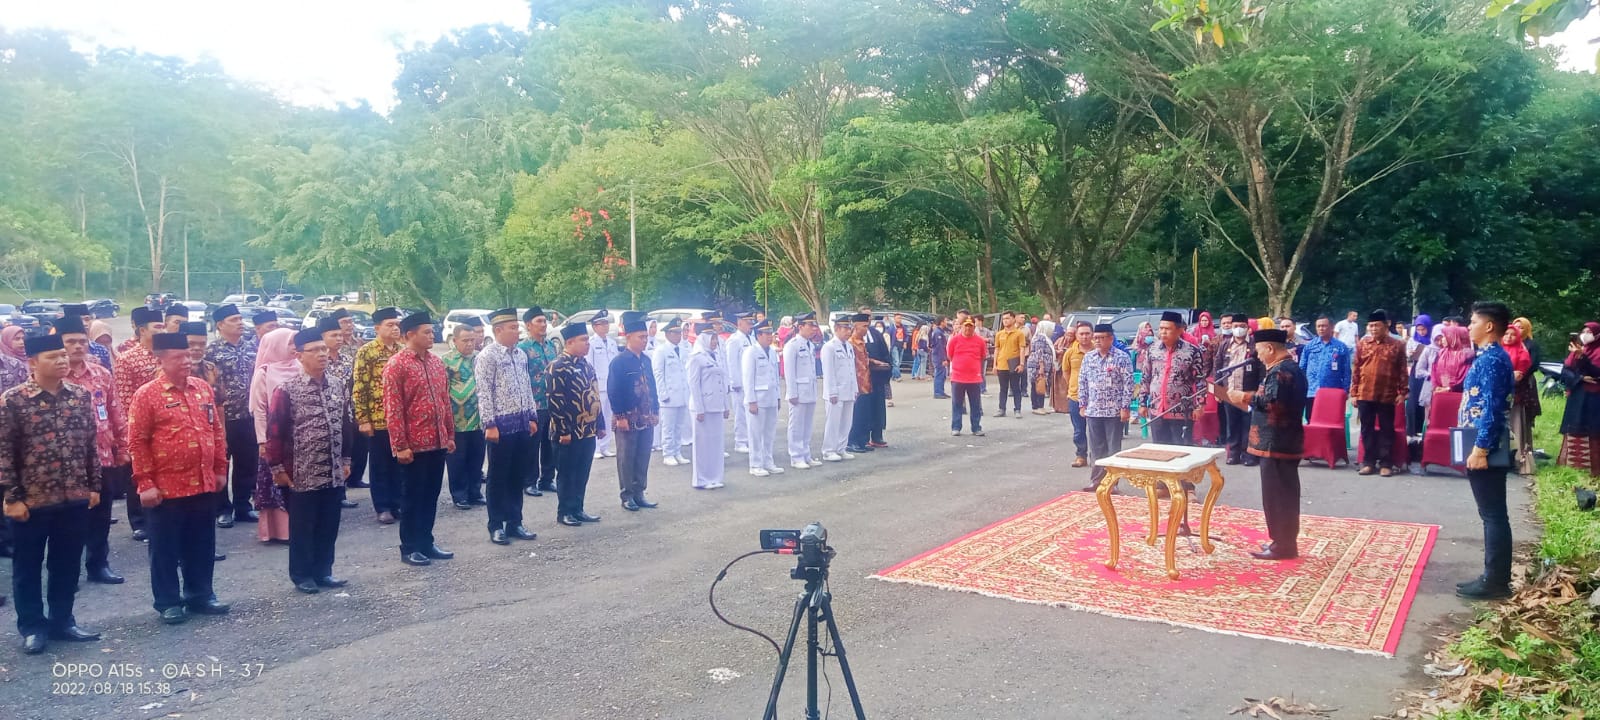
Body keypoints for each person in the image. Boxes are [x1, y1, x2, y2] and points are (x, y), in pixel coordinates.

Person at [3, 334, 103, 653]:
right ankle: (33, 626)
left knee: (67, 562)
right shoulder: (13, 400)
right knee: (28, 565)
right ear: (33, 362)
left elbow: (90, 445)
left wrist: (93, 486)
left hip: (73, 495)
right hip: (31, 499)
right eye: (53, 356)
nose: (62, 360)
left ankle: (63, 620)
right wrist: (11, 497)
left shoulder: (79, 395)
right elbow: (4, 453)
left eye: (63, 355)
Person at [129, 332, 231, 625]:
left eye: (188, 355)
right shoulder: (147, 394)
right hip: (166, 487)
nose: (187, 361)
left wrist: (220, 467)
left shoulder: (201, 388)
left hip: (203, 481)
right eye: (178, 357)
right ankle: (168, 601)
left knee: (201, 542)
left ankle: (201, 594)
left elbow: (215, 431)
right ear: (160, 359)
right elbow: (137, 441)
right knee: (165, 547)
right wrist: (144, 483)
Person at [265, 328, 353, 594]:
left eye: (323, 349)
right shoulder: (287, 389)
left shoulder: (337, 384)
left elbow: (347, 423)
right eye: (314, 350)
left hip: (334, 469)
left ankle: (323, 571)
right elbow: (275, 432)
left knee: (329, 523)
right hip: (302, 471)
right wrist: (277, 468)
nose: (322, 354)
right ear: (299, 355)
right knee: (303, 525)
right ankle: (302, 574)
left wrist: (347, 458)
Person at [1211, 328, 1306, 560]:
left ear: (1271, 348)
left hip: (1276, 443)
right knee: (1283, 493)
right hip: (1283, 441)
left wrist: (1240, 396)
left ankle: (1283, 544)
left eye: (1260, 350)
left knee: (1277, 495)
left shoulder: (1281, 371)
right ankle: (1283, 540)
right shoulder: (1287, 368)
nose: (1258, 355)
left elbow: (1270, 402)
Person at [383, 311, 456, 566]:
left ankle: (427, 541)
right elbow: (393, 408)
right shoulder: (397, 365)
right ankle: (410, 547)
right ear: (409, 335)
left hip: (437, 441)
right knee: (412, 497)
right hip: (413, 445)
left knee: (431, 495)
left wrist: (449, 433)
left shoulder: (436, 362)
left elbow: (445, 401)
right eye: (426, 332)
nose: (431, 335)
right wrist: (400, 445)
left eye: (431, 331)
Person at [60, 316, 128, 586]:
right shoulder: (54, 377)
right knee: (71, 519)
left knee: (101, 515)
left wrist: (123, 446)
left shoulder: (101, 373)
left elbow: (116, 412)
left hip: (102, 457)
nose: (78, 346)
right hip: (67, 463)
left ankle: (98, 564)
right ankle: (68, 570)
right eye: (70, 342)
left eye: (81, 341)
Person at [1456, 302, 1517, 600]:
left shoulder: (1493, 359)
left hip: (1487, 445)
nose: (1469, 327)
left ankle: (1495, 580)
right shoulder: (1487, 356)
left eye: (1473, 321)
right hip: (1480, 440)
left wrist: (1481, 448)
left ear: (1489, 326)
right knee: (1490, 513)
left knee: (1493, 514)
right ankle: (1493, 576)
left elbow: (1492, 406)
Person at [475, 309, 540, 544]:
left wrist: (532, 416)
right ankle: (496, 525)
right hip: (501, 427)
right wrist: (489, 424)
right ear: (498, 330)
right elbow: (483, 392)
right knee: (497, 477)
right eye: (512, 327)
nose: (517, 331)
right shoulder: (487, 356)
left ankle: (515, 522)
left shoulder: (521, 355)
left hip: (522, 423)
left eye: (517, 327)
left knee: (517, 475)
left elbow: (527, 386)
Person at [203, 304, 259, 530]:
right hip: (224, 417)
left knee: (248, 462)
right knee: (222, 463)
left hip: (249, 414)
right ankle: (222, 509)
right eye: (234, 319)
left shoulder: (252, 346)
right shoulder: (212, 351)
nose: (240, 322)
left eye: (240, 318)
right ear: (220, 325)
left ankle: (243, 505)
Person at [113, 306, 166, 541]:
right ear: (142, 330)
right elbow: (124, 399)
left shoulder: (166, 354)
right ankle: (138, 522)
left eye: (163, 326)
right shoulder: (127, 359)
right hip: (140, 426)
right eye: (157, 327)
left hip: (167, 426)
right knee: (139, 473)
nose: (162, 330)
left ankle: (160, 516)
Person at [546, 322, 605, 526]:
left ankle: (578, 509)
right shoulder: (557, 366)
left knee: (582, 472)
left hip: (587, 431)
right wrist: (564, 430)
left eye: (588, 340)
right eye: (584, 340)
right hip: (568, 432)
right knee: (567, 473)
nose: (588, 344)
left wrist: (600, 423)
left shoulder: (586, 365)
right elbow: (555, 400)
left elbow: (595, 395)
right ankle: (565, 512)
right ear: (570, 342)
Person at [353, 307, 403, 524]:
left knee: (401, 462)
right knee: (381, 464)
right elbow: (359, 386)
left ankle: (398, 503)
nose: (395, 328)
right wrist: (363, 419)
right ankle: (383, 506)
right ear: (377, 328)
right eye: (389, 325)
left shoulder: (402, 350)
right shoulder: (367, 351)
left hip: (401, 420)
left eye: (396, 324)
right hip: (378, 417)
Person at [246, 329, 296, 545]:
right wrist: (262, 441)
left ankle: (297, 527)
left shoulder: (300, 366)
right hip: (273, 437)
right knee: (274, 483)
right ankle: (277, 531)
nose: (295, 348)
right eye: (291, 343)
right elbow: (259, 409)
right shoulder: (264, 373)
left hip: (297, 437)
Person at [608, 312, 661, 511]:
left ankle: (639, 492)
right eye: (641, 337)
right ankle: (627, 495)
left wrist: (655, 410)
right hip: (628, 419)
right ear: (628, 337)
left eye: (646, 337)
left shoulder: (645, 360)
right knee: (626, 457)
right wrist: (620, 416)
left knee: (643, 455)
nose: (645, 340)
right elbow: (614, 391)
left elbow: (652, 387)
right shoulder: (620, 362)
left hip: (646, 417)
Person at [1350, 309, 1409, 476]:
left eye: (1377, 325)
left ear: (1386, 325)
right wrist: (1353, 393)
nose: (1373, 329)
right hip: (1364, 393)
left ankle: (1386, 463)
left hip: (1387, 394)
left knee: (1386, 429)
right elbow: (1356, 369)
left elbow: (1403, 370)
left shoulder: (1397, 345)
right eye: (1370, 326)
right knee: (1366, 429)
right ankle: (1368, 462)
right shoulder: (1363, 344)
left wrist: (1402, 392)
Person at [1077, 324, 1134, 490]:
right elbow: (1082, 382)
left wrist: (1125, 407)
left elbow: (1128, 384)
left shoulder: (1121, 357)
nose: (1098, 341)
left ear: (1110, 338)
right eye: (1096, 338)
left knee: (1113, 448)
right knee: (1096, 448)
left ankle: (1112, 483)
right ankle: (1096, 481)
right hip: (1094, 409)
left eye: (1102, 338)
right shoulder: (1089, 357)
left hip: (1114, 411)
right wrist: (1083, 403)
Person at [1139, 311, 1206, 445]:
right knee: (1160, 452)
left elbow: (1200, 379)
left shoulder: (1192, 351)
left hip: (1182, 411)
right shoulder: (1152, 350)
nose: (1163, 332)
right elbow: (1146, 377)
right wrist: (1142, 403)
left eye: (1168, 329)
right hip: (1156, 409)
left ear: (1179, 330)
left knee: (1181, 452)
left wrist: (1200, 405)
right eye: (1161, 328)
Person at [316, 316, 360, 510]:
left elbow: (353, 387)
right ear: (322, 337)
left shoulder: (347, 359)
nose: (339, 339)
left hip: (345, 414)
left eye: (340, 335)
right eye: (334, 335)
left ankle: (340, 493)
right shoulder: (317, 360)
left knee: (343, 453)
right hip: (323, 417)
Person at [518, 307, 562, 496]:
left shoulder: (551, 346)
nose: (543, 325)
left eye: (544, 321)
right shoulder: (523, 349)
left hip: (551, 402)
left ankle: (547, 478)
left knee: (550, 442)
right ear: (528, 326)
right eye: (539, 321)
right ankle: (529, 481)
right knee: (531, 445)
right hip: (533, 404)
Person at [442, 326, 486, 510]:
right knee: (457, 460)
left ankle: (475, 492)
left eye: (472, 340)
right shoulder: (446, 361)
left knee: (477, 457)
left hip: (478, 419)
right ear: (455, 340)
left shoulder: (480, 358)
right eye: (465, 340)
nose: (469, 344)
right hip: (457, 420)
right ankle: (459, 494)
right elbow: (442, 391)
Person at [687, 319, 730, 489]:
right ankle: (702, 479)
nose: (715, 342)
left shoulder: (717, 356)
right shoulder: (696, 357)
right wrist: (699, 408)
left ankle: (715, 476)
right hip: (703, 405)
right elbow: (694, 384)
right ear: (704, 339)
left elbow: (723, 381)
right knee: (703, 445)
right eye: (712, 339)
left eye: (715, 339)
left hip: (717, 404)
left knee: (716, 443)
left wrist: (726, 406)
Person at [742, 320, 784, 477]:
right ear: (758, 335)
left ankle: (768, 461)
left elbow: (775, 376)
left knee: (769, 433)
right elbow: (748, 378)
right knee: (755, 433)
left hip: (771, 397)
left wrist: (778, 397)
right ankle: (756, 464)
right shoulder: (751, 352)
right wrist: (751, 400)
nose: (769, 337)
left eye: (770, 333)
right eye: (766, 334)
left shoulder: (772, 352)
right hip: (758, 399)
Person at [1214, 314, 1257, 466]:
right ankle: (1233, 453)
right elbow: (1217, 367)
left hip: (1248, 392)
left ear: (1248, 328)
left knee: (1248, 424)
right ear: (1231, 327)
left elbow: (1261, 368)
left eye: (1242, 326)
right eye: (1236, 326)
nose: (1239, 329)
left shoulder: (1254, 345)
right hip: (1229, 392)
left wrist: (1258, 390)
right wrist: (1217, 391)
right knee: (1231, 424)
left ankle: (1248, 454)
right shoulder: (1225, 344)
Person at [782, 313, 823, 469]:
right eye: (810, 325)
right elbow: (789, 372)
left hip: (809, 390)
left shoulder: (810, 345)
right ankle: (796, 456)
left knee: (807, 425)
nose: (813, 329)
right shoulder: (792, 345)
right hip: (798, 391)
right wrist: (791, 392)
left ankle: (806, 453)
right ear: (800, 327)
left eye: (814, 325)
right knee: (796, 425)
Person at [1559, 322, 1600, 477]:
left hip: (1594, 398)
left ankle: (1593, 469)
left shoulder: (1597, 351)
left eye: (1589, 331)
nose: (1585, 334)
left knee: (1592, 430)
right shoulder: (1578, 350)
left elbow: (1596, 372)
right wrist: (1581, 378)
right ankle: (1573, 465)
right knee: (1574, 426)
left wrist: (1582, 357)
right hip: (1577, 394)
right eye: (1584, 331)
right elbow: (1566, 371)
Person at [848, 311, 892, 451]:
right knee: (856, 415)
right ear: (855, 327)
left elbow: (865, 360)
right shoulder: (851, 343)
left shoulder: (862, 342)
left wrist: (878, 363)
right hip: (857, 384)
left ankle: (862, 441)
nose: (867, 329)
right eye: (864, 326)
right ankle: (852, 442)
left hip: (867, 383)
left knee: (864, 414)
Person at [652, 319, 692, 466]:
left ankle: (677, 452)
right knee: (668, 427)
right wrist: (662, 394)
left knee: (679, 426)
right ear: (668, 334)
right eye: (675, 333)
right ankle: (668, 453)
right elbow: (658, 374)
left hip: (682, 394)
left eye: (679, 333)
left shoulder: (683, 349)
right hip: (669, 395)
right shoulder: (661, 350)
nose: (678, 336)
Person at [1502, 321, 1539, 477]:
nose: (1509, 337)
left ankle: (1521, 461)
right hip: (1498, 395)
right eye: (1506, 334)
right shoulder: (1497, 350)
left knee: (1517, 427)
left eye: (1513, 334)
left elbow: (1520, 375)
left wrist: (1508, 377)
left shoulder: (1522, 353)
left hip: (1516, 394)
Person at [1299, 317, 1351, 422]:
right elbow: (1301, 368)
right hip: (1312, 391)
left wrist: (1345, 390)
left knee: (1330, 422)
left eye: (1324, 326)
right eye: (1318, 326)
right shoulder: (1310, 346)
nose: (1321, 329)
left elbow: (1346, 371)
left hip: (1332, 391)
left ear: (1331, 327)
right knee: (1311, 421)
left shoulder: (1341, 347)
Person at [820, 317, 858, 459]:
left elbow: (851, 369)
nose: (848, 331)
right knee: (833, 422)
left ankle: (841, 448)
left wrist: (855, 388)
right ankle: (829, 450)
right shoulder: (829, 347)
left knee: (846, 422)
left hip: (848, 389)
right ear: (836, 329)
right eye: (845, 328)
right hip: (836, 391)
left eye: (849, 328)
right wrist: (832, 392)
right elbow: (829, 372)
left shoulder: (848, 346)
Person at [587, 311, 619, 460]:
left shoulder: (612, 342)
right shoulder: (592, 344)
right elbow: (589, 366)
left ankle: (605, 446)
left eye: (607, 323)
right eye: (602, 323)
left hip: (611, 384)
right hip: (598, 385)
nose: (606, 326)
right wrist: (591, 387)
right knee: (597, 416)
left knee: (607, 415)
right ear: (595, 326)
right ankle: (596, 447)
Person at [948, 317, 987, 437]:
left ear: (974, 327)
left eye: (970, 326)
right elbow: (950, 355)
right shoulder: (954, 340)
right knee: (957, 404)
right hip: (958, 377)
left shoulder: (980, 341)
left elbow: (982, 356)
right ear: (961, 326)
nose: (968, 328)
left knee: (975, 404)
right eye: (966, 325)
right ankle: (956, 427)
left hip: (974, 378)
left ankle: (976, 427)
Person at [1059, 322, 1092, 464]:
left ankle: (1098, 457)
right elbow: (1066, 371)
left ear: (1092, 335)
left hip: (1096, 398)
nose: (1084, 337)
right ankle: (1081, 456)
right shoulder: (1070, 352)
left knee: (1096, 431)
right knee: (1079, 430)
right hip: (1075, 397)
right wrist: (1073, 387)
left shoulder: (1097, 351)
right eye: (1081, 334)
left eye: (1087, 334)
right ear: (1076, 336)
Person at [723, 312, 755, 454]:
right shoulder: (734, 340)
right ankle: (740, 441)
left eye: (751, 322)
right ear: (740, 323)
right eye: (748, 322)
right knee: (740, 413)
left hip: (751, 382)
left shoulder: (752, 338)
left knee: (750, 412)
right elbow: (731, 362)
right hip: (740, 383)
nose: (750, 325)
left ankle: (749, 438)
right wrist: (734, 382)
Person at [992, 312, 1028, 417]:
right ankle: (1001, 409)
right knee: (1003, 388)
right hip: (1002, 365)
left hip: (1014, 365)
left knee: (1016, 387)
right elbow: (996, 349)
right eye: (1004, 319)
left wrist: (1021, 364)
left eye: (1007, 318)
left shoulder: (1019, 333)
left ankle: (1017, 409)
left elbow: (1022, 349)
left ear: (1013, 319)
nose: (1005, 321)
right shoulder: (999, 334)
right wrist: (995, 365)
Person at [1405, 315, 1435, 434]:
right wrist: (1410, 353)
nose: (1421, 332)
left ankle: (1424, 427)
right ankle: (1412, 429)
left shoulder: (1434, 339)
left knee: (1426, 399)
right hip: (1416, 371)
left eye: (1424, 329)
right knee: (1413, 399)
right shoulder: (1413, 339)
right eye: (1419, 330)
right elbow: (1408, 353)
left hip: (1430, 371)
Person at [62, 304, 112, 370]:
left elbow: (108, 376)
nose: (84, 323)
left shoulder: (101, 350)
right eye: (79, 320)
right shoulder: (58, 350)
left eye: (87, 319)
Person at [1026, 319, 1058, 415]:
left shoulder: (1044, 337)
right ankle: (1036, 406)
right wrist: (1041, 366)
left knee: (1040, 385)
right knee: (1038, 385)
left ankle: (1041, 406)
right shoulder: (1040, 337)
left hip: (1043, 365)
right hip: (1038, 366)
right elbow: (1039, 353)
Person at [929, 316, 951, 399]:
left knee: (943, 375)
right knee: (939, 374)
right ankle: (938, 392)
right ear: (941, 322)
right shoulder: (938, 332)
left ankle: (941, 391)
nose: (946, 322)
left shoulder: (940, 332)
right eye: (945, 321)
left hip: (939, 355)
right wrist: (943, 359)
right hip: (938, 356)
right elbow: (939, 347)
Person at [888, 313, 909, 382]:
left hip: (901, 345)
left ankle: (894, 376)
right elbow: (888, 336)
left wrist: (905, 343)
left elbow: (906, 335)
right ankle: (898, 376)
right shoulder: (891, 327)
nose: (899, 319)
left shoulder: (903, 327)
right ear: (894, 319)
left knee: (899, 362)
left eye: (900, 318)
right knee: (896, 362)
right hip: (894, 346)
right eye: (898, 318)